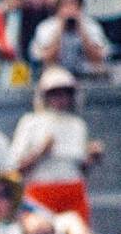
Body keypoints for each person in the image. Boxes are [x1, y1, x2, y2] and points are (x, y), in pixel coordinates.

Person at [9, 65, 104, 222]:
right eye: (55, 94)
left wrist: (92, 158)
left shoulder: (77, 124)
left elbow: (79, 169)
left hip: (73, 192)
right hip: (40, 192)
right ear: (45, 96)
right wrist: (41, 152)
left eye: (65, 93)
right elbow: (15, 168)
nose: (60, 98)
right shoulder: (30, 122)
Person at [29, 0, 111, 77]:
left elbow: (97, 60)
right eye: (65, 5)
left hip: (87, 76)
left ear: (80, 7)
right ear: (57, 8)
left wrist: (81, 28)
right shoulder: (46, 27)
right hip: (57, 77)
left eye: (74, 4)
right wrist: (60, 27)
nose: (70, 9)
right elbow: (47, 60)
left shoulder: (91, 26)